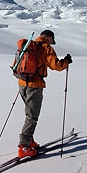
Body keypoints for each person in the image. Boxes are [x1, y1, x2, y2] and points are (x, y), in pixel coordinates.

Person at [17, 30, 72, 158]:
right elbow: (56, 66)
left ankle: (29, 140)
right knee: (32, 116)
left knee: (29, 114)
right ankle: (24, 147)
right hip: (34, 86)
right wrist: (66, 62)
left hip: (22, 83)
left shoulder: (29, 45)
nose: (52, 43)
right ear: (47, 37)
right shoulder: (45, 48)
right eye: (52, 40)